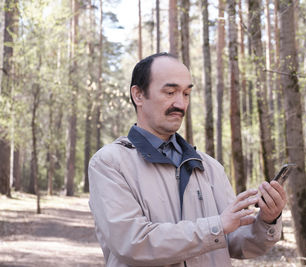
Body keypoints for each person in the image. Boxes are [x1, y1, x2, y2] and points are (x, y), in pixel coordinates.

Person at [88, 52, 287, 267]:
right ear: (138, 95)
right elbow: (132, 243)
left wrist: (268, 220)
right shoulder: (109, 163)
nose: (180, 104)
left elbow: (236, 242)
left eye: (186, 93)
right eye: (170, 92)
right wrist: (217, 226)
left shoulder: (208, 166)